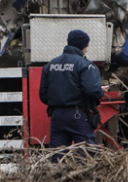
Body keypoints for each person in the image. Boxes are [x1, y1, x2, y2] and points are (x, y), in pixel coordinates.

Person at [38, 29, 104, 159]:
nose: (87, 49)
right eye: (87, 46)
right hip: (78, 116)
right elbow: (92, 90)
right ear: (83, 46)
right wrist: (100, 90)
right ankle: (85, 178)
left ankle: (57, 178)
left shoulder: (50, 65)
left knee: (57, 156)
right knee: (88, 155)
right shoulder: (85, 65)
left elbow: (43, 95)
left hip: (57, 116)